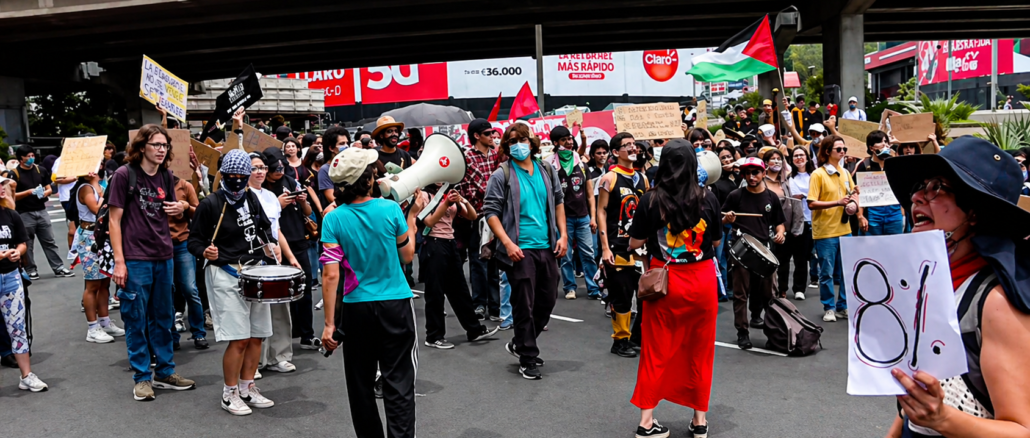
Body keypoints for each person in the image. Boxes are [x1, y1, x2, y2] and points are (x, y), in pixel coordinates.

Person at [882, 136, 1030, 437]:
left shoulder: (994, 302)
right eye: (919, 188)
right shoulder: (929, 286)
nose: (917, 198)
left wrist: (943, 419)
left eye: (937, 188)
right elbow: (915, 405)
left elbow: (1021, 429)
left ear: (975, 213)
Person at [319, 147, 424, 438]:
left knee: (360, 385)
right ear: (368, 180)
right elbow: (407, 256)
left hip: (356, 309)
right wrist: (412, 217)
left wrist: (330, 324)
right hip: (395, 303)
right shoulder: (391, 210)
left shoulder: (333, 219)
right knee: (399, 383)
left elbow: (330, 274)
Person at [189, 148, 296, 415]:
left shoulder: (250, 198)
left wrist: (271, 245)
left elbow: (262, 228)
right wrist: (205, 251)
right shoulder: (210, 204)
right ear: (223, 174)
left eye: (242, 175)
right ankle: (230, 392)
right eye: (232, 175)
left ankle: (248, 387)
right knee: (238, 338)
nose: (237, 180)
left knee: (258, 335)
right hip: (225, 272)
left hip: (254, 271)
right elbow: (193, 241)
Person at [627, 140, 722, 438]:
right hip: (702, 280)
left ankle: (646, 421)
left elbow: (635, 243)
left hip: (664, 282)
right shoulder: (709, 198)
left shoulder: (650, 200)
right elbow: (716, 242)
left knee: (655, 350)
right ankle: (699, 421)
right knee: (701, 350)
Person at [109, 124, 195, 401]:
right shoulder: (124, 175)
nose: (161, 150)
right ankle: (142, 377)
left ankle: (166, 371)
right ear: (142, 146)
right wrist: (119, 262)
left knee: (164, 316)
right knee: (135, 317)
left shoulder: (167, 176)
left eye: (165, 145)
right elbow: (114, 221)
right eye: (156, 144)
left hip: (164, 253)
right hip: (135, 257)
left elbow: (172, 211)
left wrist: (180, 208)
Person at [483, 122, 568, 380]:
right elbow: (491, 213)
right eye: (511, 142)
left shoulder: (546, 170)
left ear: (531, 143)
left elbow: (558, 203)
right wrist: (508, 243)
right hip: (520, 250)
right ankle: (527, 357)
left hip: (547, 246)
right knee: (523, 304)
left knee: (547, 300)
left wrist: (563, 235)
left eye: (521, 140)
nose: (517, 145)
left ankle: (520, 342)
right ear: (507, 147)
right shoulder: (502, 174)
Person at [418, 183, 500, 349]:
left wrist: (463, 200)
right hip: (433, 244)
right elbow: (429, 221)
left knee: (460, 290)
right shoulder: (424, 195)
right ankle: (434, 336)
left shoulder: (448, 193)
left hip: (450, 243)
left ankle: (474, 330)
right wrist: (446, 203)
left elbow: (472, 216)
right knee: (435, 292)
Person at [721, 157, 786, 349]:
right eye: (747, 173)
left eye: (755, 172)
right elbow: (722, 219)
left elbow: (779, 223)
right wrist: (727, 219)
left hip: (764, 249)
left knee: (769, 294)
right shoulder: (735, 195)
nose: (751, 176)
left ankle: (773, 332)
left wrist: (781, 233)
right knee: (741, 294)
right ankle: (742, 332)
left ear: (764, 173)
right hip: (741, 248)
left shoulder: (771, 197)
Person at [261, 149, 320, 352]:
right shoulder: (261, 188)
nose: (279, 171)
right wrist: (278, 204)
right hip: (274, 245)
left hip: (298, 240)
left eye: (282, 167)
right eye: (275, 168)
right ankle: (278, 340)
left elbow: (308, 212)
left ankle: (307, 334)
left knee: (303, 290)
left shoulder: (290, 180)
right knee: (278, 295)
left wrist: (302, 200)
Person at [597, 132, 648, 357]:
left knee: (645, 295)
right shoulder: (609, 178)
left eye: (634, 144)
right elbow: (601, 211)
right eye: (627, 145)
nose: (633, 148)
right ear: (616, 152)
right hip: (617, 246)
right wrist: (605, 247)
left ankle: (637, 337)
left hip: (640, 248)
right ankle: (620, 340)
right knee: (622, 296)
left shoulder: (643, 179)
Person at [0, 177, 48, 392]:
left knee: (17, 327)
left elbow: (22, 243)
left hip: (11, 277)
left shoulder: (11, 214)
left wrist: (16, 253)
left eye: (2, 184)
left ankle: (26, 375)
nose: (2, 188)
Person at [806, 135, 859, 323]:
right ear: (828, 151)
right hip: (826, 231)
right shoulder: (818, 174)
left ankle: (842, 305)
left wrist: (854, 202)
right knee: (827, 272)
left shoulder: (845, 172)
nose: (843, 152)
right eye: (839, 149)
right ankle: (828, 307)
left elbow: (852, 194)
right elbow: (811, 203)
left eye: (844, 149)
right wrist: (837, 202)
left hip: (844, 228)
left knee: (846, 271)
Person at [72, 168, 125, 344]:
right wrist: (95, 183)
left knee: (104, 282)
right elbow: (98, 209)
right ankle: (93, 327)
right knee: (92, 284)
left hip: (101, 236)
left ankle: (105, 321)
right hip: (89, 238)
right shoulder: (85, 187)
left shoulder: (97, 186)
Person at [548, 126, 600, 300]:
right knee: (566, 255)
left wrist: (592, 217)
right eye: (564, 140)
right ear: (556, 143)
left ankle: (593, 288)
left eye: (570, 139)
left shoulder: (581, 163)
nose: (569, 143)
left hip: (583, 216)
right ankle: (570, 287)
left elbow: (590, 195)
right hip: (564, 219)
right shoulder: (550, 165)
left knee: (588, 254)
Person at [458, 118, 503, 321]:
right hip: (477, 216)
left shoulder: (497, 155)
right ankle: (479, 305)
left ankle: (495, 306)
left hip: (497, 214)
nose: (492, 136)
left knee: (495, 261)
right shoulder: (466, 158)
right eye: (488, 133)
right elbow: (468, 188)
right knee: (478, 261)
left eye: (493, 133)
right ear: (477, 136)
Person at [12, 145, 73, 280]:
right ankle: (31, 269)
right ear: (20, 158)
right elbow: (12, 195)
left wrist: (46, 192)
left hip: (41, 210)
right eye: (27, 156)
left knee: (49, 241)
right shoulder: (14, 174)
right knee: (27, 244)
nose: (31, 158)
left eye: (32, 155)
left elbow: (49, 187)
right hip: (24, 212)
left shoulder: (41, 170)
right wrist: (28, 192)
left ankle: (58, 267)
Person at [763, 149, 804, 300]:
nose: (776, 162)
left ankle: (782, 290)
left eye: (779, 159)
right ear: (766, 163)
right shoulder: (760, 182)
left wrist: (795, 228)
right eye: (773, 159)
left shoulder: (787, 183)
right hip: (764, 229)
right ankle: (768, 291)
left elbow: (797, 206)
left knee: (784, 261)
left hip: (784, 228)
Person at [854, 131, 905, 236]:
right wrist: (860, 216)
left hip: (894, 214)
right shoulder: (864, 165)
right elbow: (857, 194)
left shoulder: (895, 164)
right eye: (880, 141)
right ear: (871, 147)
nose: (884, 144)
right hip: (872, 214)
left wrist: (902, 215)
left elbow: (901, 190)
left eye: (886, 141)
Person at [785, 146, 816, 300]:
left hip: (815, 220)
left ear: (807, 157)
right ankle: (798, 288)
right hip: (797, 221)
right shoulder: (789, 178)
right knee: (799, 256)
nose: (799, 158)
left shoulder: (815, 175)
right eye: (795, 156)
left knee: (809, 256)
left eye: (801, 155)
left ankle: (804, 285)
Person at [317, 126, 351, 208]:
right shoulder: (325, 170)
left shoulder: (351, 165)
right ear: (331, 148)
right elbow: (331, 198)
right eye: (342, 144)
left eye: (347, 143)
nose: (346, 146)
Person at [52, 156, 79, 252]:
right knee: (73, 229)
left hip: (83, 194)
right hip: (67, 197)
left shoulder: (84, 158)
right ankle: (73, 252)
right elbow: (56, 179)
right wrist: (74, 178)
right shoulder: (60, 160)